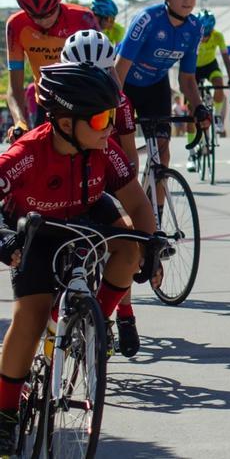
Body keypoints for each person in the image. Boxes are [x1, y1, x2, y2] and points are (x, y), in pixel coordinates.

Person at [0, 62, 157, 453]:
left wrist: (152, 248)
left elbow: (137, 201)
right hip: (35, 228)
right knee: (31, 317)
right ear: (66, 123)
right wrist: (3, 238)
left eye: (111, 117)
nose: (109, 128)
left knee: (130, 245)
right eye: (101, 118)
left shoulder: (105, 150)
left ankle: (96, 320)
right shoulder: (27, 154)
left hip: (86, 212)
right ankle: (3, 413)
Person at [57, 30, 145, 357]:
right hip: (67, 179)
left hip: (106, 171)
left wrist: (126, 191)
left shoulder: (120, 101)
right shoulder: (54, 96)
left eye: (99, 73)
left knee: (126, 238)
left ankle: (124, 314)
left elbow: (128, 153)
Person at [116, 0, 212, 179]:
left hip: (156, 86)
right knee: (128, 158)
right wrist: (112, 106)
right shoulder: (147, 20)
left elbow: (186, 78)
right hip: (124, 86)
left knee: (162, 155)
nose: (188, 0)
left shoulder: (196, 28)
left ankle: (155, 211)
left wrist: (198, 107)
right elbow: (119, 69)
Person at [6, 0, 99, 136]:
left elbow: (103, 69)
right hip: (46, 104)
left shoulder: (83, 18)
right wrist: (20, 122)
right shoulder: (15, 25)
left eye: (49, 12)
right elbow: (15, 88)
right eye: (35, 16)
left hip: (84, 101)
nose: (43, 20)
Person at [191, 9, 230, 146]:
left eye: (207, 34)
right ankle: (192, 153)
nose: (205, 38)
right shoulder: (194, 36)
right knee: (192, 104)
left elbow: (226, 58)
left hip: (210, 65)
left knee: (218, 82)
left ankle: (216, 116)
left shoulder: (218, 36)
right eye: (203, 34)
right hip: (194, 68)